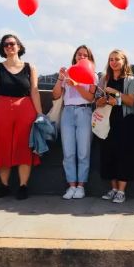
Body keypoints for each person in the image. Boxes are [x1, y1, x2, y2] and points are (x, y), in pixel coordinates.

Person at [0, 34, 42, 200]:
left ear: (19, 46)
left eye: (12, 44)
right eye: (5, 45)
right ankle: (4, 185)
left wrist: (39, 114)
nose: (9, 47)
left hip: (25, 109)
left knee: (24, 147)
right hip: (1, 109)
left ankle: (23, 186)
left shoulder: (30, 67)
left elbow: (34, 91)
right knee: (2, 146)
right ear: (3, 49)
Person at [52, 45, 96, 200]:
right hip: (68, 112)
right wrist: (60, 78)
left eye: (85, 55)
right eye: (79, 54)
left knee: (83, 152)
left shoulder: (93, 75)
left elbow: (91, 98)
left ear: (89, 58)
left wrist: (76, 85)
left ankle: (81, 186)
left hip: (84, 111)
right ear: (75, 56)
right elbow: (56, 95)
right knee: (68, 152)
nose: (82, 57)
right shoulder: (68, 73)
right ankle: (71, 185)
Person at [96, 49, 134, 204]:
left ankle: (121, 191)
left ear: (123, 61)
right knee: (108, 155)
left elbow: (131, 101)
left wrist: (116, 94)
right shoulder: (104, 78)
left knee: (124, 156)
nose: (114, 62)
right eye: (111, 59)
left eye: (117, 59)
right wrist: (102, 100)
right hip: (107, 121)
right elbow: (98, 98)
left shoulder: (130, 80)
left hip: (125, 122)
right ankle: (113, 188)